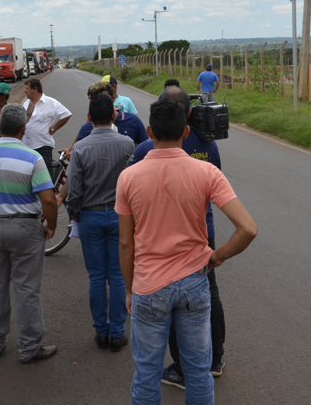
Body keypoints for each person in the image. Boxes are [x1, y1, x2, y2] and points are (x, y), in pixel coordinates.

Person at [116, 99, 258, 405]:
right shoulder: (206, 172)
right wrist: (216, 256)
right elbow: (248, 229)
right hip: (195, 283)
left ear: (150, 131)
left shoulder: (128, 177)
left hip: (148, 285)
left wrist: (129, 290)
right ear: (186, 131)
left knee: (146, 375)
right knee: (198, 372)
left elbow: (126, 244)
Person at [129, 87, 228, 385]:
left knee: (170, 305)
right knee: (209, 296)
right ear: (188, 115)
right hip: (202, 236)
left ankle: (182, 367)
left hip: (158, 240)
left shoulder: (147, 149)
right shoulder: (208, 144)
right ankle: (215, 358)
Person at [0, 104, 58, 364]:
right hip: (24, 228)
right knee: (27, 288)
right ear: (23, 128)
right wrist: (50, 226)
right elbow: (48, 200)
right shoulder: (32, 158)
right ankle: (29, 347)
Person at [64, 94, 134, 353]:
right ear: (114, 116)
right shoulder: (128, 143)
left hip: (91, 216)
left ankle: (101, 331)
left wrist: (75, 215)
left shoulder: (80, 147)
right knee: (117, 275)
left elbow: (74, 189)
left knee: (96, 276)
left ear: (89, 118)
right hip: (120, 217)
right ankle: (117, 333)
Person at [22, 78, 72, 167]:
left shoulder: (50, 102)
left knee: (45, 174)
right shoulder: (26, 103)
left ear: (35, 89)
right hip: (27, 145)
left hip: (43, 146)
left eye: (27, 88)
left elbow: (66, 114)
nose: (24, 91)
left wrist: (54, 128)